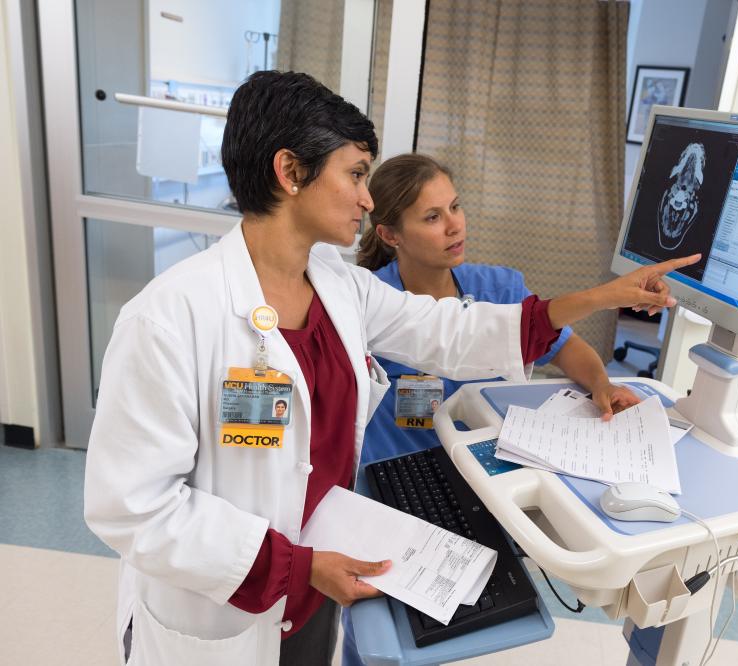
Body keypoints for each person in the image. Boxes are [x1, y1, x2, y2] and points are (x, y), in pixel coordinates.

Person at [83, 70, 698, 666]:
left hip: (320, 572)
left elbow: (450, 330)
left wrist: (599, 297)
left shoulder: (339, 287)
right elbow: (132, 506)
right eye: (353, 175)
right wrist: (297, 566)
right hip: (230, 605)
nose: (366, 197)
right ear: (290, 172)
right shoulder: (168, 319)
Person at [338, 152, 650, 665]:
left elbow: (561, 344)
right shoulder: (372, 300)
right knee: (382, 627)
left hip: (485, 475)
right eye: (432, 217)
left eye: (455, 207)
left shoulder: (498, 288)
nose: (454, 225)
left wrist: (600, 384)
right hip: (396, 480)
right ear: (390, 234)